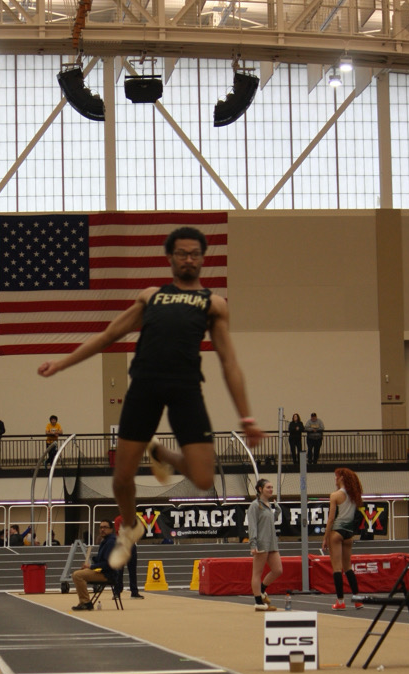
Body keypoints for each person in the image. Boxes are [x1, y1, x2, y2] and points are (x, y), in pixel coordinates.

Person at [38, 226, 262, 570]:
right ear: (170, 258)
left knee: (203, 478)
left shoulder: (213, 304)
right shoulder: (151, 296)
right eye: (182, 253)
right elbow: (109, 335)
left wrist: (246, 417)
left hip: (186, 388)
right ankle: (130, 528)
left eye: (195, 254)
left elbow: (229, 361)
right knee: (120, 477)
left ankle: (160, 452)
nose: (189, 259)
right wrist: (61, 363)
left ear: (203, 259)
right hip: (144, 386)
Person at [321, 467, 364, 611]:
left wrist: (326, 537)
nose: (335, 479)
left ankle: (340, 601)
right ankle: (357, 599)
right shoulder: (354, 495)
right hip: (349, 534)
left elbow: (331, 519)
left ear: (341, 478)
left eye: (336, 476)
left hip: (337, 532)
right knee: (348, 567)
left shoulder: (335, 495)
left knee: (337, 568)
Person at [246, 478, 282, 611]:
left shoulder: (268, 504)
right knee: (257, 572)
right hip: (261, 542)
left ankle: (261, 590)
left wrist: (276, 512)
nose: (271, 489)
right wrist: (253, 543)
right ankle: (258, 602)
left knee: (278, 570)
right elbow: (253, 525)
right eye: (268, 487)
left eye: (272, 487)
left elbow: (268, 523)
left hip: (272, 542)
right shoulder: (255, 505)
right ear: (260, 489)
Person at [71, 518, 117, 610]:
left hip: (108, 574)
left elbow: (108, 564)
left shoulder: (111, 542)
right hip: (103, 572)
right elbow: (102, 560)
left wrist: (91, 566)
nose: (102, 529)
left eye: (105, 527)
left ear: (111, 529)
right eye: (101, 527)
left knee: (77, 575)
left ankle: (86, 602)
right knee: (78, 574)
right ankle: (85, 602)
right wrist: (92, 561)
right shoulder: (106, 541)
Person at [114, 514, 143, 598]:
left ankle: (134, 592)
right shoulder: (118, 519)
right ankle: (117, 592)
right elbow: (118, 532)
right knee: (119, 571)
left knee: (132, 570)